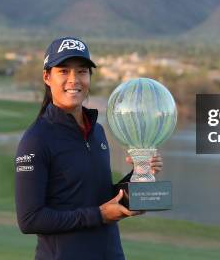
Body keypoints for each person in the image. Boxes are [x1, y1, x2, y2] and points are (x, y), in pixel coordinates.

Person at [15, 37, 163, 260]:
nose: (73, 80)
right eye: (63, 71)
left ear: (90, 77)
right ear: (47, 77)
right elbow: (30, 219)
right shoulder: (37, 139)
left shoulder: (97, 132)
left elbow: (97, 196)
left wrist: (139, 177)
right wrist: (100, 215)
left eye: (82, 71)